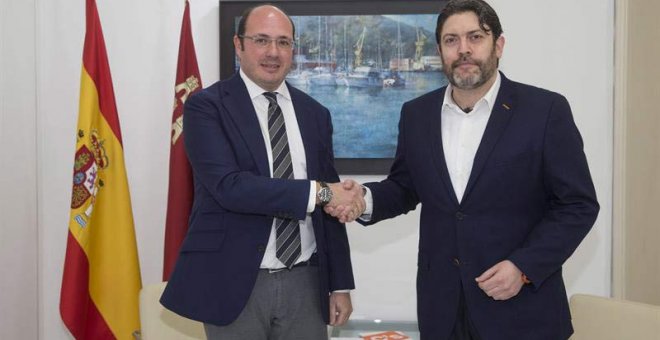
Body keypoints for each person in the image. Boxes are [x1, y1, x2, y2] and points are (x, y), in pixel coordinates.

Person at [327, 0, 599, 339]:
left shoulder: (545, 110)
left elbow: (578, 205)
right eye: (451, 40)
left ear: (498, 45)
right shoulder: (417, 114)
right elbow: (405, 187)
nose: (464, 50)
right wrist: (363, 199)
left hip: (523, 311)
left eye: (475, 37)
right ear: (440, 49)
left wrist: (524, 267)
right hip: (443, 310)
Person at [160, 4, 364, 339]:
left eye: (284, 42)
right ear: (238, 45)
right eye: (261, 40)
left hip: (306, 282)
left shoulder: (316, 114)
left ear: (293, 51)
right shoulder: (205, 107)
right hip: (233, 281)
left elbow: (328, 206)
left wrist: (339, 283)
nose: (273, 52)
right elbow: (230, 187)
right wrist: (321, 192)